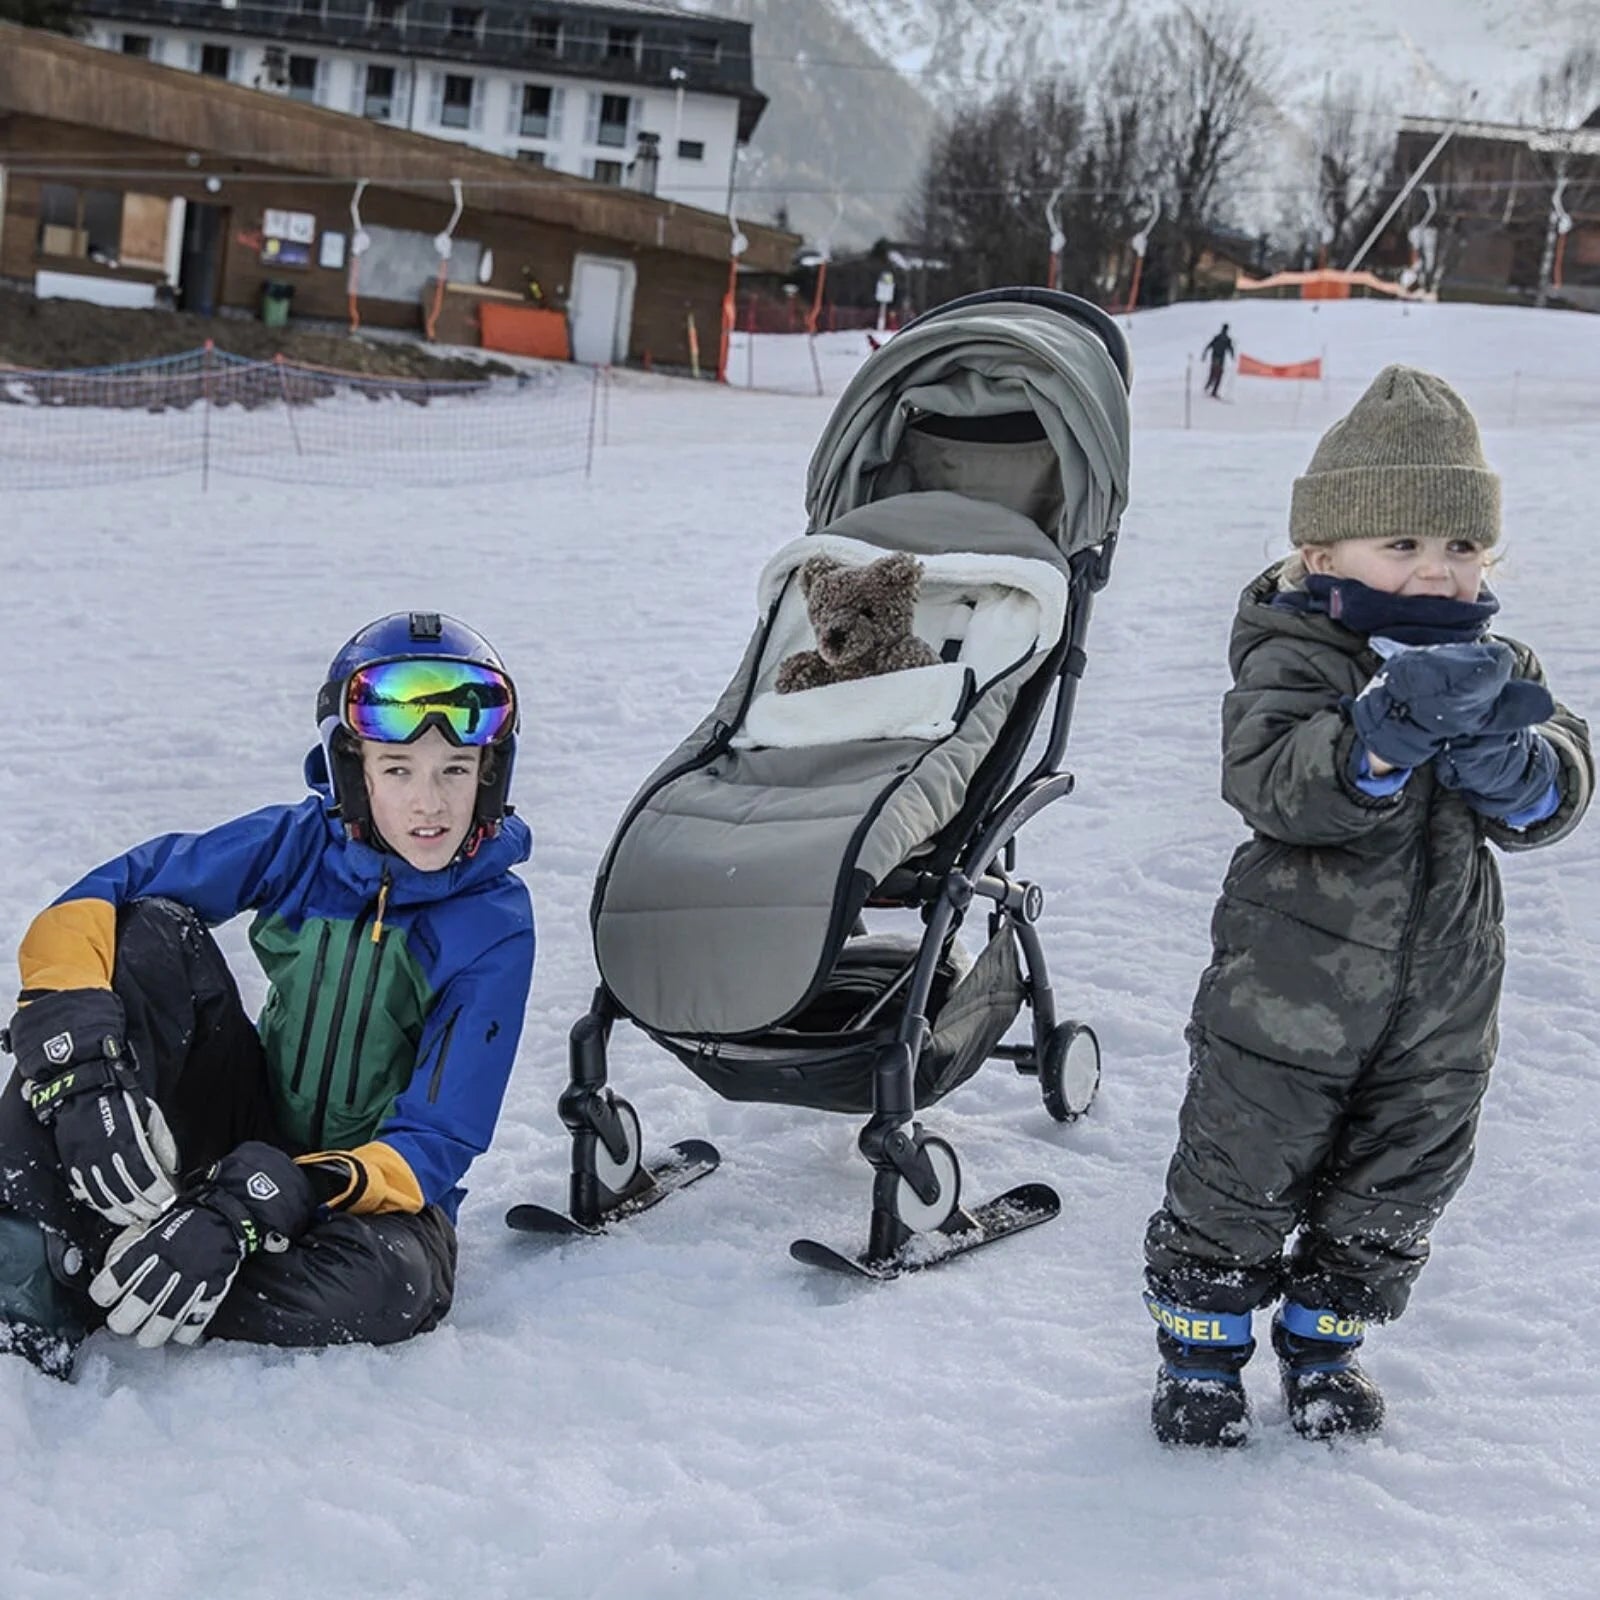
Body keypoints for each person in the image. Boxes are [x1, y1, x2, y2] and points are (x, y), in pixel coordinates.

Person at [1142, 366, 1592, 1446]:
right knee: (1239, 1167)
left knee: (1400, 1175)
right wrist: (1379, 734)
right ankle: (1201, 1357)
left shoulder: (1496, 661)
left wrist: (1508, 756)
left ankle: (1326, 1346)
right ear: (1321, 552)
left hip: (1440, 1002)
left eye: (1460, 547)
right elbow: (1271, 782)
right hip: (1286, 993)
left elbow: (1555, 792)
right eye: (1401, 544)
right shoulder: (1297, 649)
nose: (1436, 571)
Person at [0, 612, 535, 1378]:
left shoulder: (496, 924)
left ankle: (125, 1265)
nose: (430, 804)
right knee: (149, 931)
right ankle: (27, 1252)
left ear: (490, 774)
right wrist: (77, 1063)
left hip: (365, 1189)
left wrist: (268, 1196)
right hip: (244, 1122)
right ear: (353, 769)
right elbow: (99, 898)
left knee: (394, 1288)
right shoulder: (297, 845)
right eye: (398, 770)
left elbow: (440, 1138)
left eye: (455, 769)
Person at [1202, 323, 1234, 397]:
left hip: (1214, 357)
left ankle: (1207, 386)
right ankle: (1214, 391)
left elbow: (1209, 345)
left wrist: (1204, 354)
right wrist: (1233, 356)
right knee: (1219, 374)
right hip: (1220, 359)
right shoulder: (1227, 339)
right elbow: (1230, 349)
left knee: (1213, 372)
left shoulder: (1217, 337)